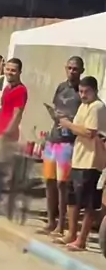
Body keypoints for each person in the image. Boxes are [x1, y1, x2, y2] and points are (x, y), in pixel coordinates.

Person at [56, 76, 106, 251]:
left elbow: (89, 132)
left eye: (87, 92)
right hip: (78, 158)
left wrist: (68, 125)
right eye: (81, 92)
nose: (83, 95)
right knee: (73, 199)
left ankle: (81, 239)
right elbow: (78, 128)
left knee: (89, 203)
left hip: (91, 161)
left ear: (95, 91)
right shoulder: (83, 106)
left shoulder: (97, 107)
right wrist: (67, 125)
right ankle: (71, 233)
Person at [39, 56, 83, 236]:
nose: (72, 71)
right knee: (49, 181)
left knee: (62, 184)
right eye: (69, 68)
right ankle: (51, 221)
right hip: (53, 139)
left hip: (68, 142)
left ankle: (61, 224)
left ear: (81, 71)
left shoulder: (82, 91)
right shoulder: (61, 87)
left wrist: (69, 123)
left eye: (75, 69)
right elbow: (56, 108)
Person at [0, 57, 28, 140]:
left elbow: (17, 116)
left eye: (13, 70)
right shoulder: (7, 88)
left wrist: (6, 134)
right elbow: (3, 110)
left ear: (19, 72)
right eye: (7, 69)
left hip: (7, 135)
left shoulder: (20, 90)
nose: (9, 72)